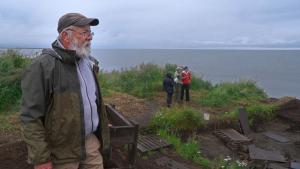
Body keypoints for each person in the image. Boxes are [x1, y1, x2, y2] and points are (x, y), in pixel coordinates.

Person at [20, 13, 110, 169]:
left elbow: (92, 101)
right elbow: (30, 116)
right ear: (65, 36)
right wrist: (41, 158)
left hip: (89, 143)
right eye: (85, 33)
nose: (90, 38)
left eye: (91, 33)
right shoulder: (43, 66)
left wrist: (100, 123)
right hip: (60, 151)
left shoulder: (88, 63)